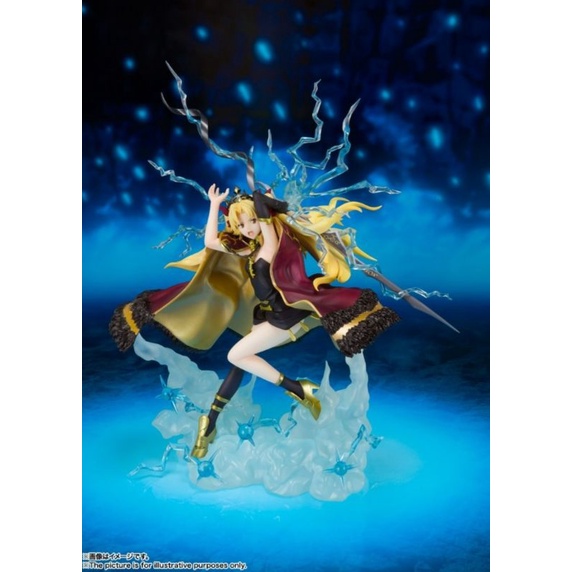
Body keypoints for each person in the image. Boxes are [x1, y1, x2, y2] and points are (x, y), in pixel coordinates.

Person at [109, 183, 400, 458]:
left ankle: (300, 390)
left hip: (285, 316)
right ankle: (210, 423)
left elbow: (265, 219)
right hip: (266, 315)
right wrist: (214, 204)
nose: (248, 229)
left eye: (252, 222)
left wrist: (265, 203)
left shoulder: (271, 245)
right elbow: (210, 241)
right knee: (239, 363)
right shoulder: (247, 249)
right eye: (241, 225)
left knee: (235, 354)